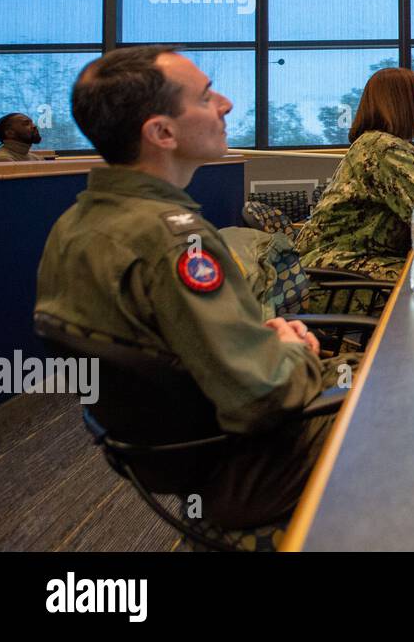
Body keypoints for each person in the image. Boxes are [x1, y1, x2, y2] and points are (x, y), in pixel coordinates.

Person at [36, 46, 353, 533]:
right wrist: (294, 351)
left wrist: (255, 343)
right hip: (254, 464)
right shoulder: (174, 240)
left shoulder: (75, 225)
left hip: (187, 463)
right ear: (162, 133)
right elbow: (263, 396)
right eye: (206, 97)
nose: (225, 104)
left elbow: (167, 349)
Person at [295, 67, 414, 282]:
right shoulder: (383, 149)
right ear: (403, 102)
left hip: (349, 265)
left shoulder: (385, 144)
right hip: (335, 274)